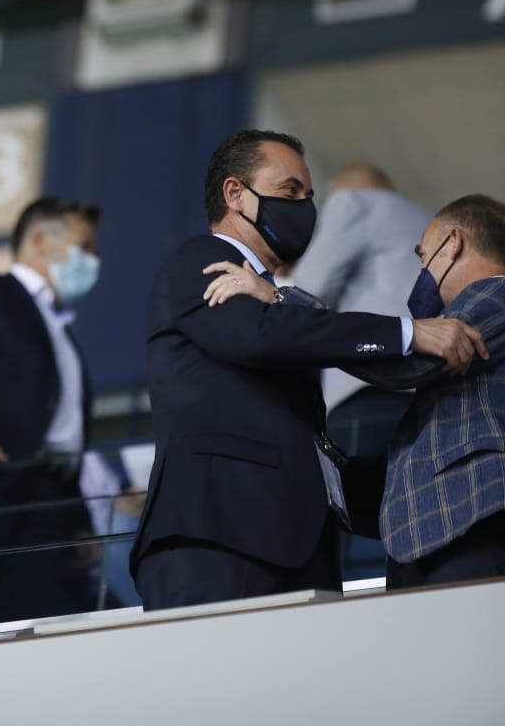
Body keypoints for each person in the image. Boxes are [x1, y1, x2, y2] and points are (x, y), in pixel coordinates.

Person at [131, 129, 486, 611]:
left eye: (310, 195)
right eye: (290, 191)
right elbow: (258, 337)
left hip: (297, 549)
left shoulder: (272, 300)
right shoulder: (203, 259)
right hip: (221, 535)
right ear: (235, 194)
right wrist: (409, 333)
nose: (305, 207)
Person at [212, 194, 505, 589]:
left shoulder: (494, 295)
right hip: (437, 536)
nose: (421, 273)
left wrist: (283, 298)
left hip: (470, 528)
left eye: (422, 257)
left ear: (452, 243)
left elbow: (407, 364)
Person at [0, 197, 102, 621]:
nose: (93, 260)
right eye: (85, 247)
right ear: (41, 239)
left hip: (52, 500)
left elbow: (62, 431)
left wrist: (80, 517)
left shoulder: (61, 327)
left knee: (58, 624)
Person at [292, 164, 432, 458]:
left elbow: (309, 289)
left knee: (358, 498)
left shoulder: (353, 203)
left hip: (365, 390)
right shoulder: (430, 221)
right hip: (427, 397)